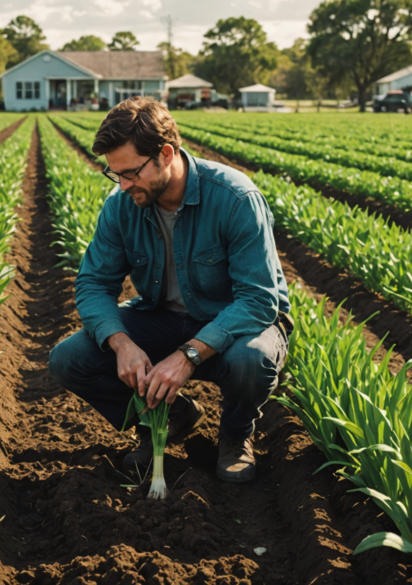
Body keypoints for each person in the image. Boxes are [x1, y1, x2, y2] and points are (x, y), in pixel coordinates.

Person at [48, 96, 291, 483]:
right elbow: (94, 282)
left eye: (130, 173)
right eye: (116, 175)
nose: (123, 185)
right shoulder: (121, 206)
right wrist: (121, 344)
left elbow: (259, 300)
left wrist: (189, 355)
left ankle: (235, 435)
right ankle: (166, 417)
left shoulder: (234, 198)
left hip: (234, 325)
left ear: (165, 153)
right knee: (70, 358)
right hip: (163, 318)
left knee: (252, 359)